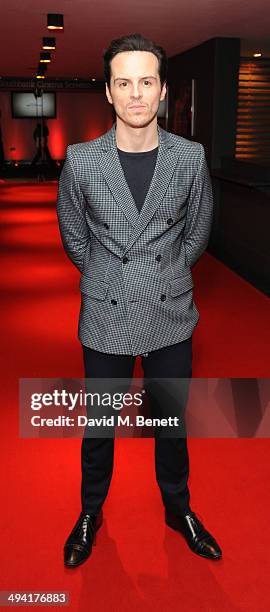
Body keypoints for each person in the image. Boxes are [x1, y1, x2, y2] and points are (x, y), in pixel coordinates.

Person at [57, 32, 222, 567]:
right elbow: (75, 238)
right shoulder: (81, 161)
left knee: (170, 422)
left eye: (145, 81)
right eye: (123, 82)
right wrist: (109, 277)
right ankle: (89, 512)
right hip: (105, 311)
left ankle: (179, 508)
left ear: (162, 90)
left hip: (170, 310)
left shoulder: (190, 157)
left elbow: (197, 231)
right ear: (108, 92)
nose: (135, 94)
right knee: (99, 424)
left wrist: (166, 275)